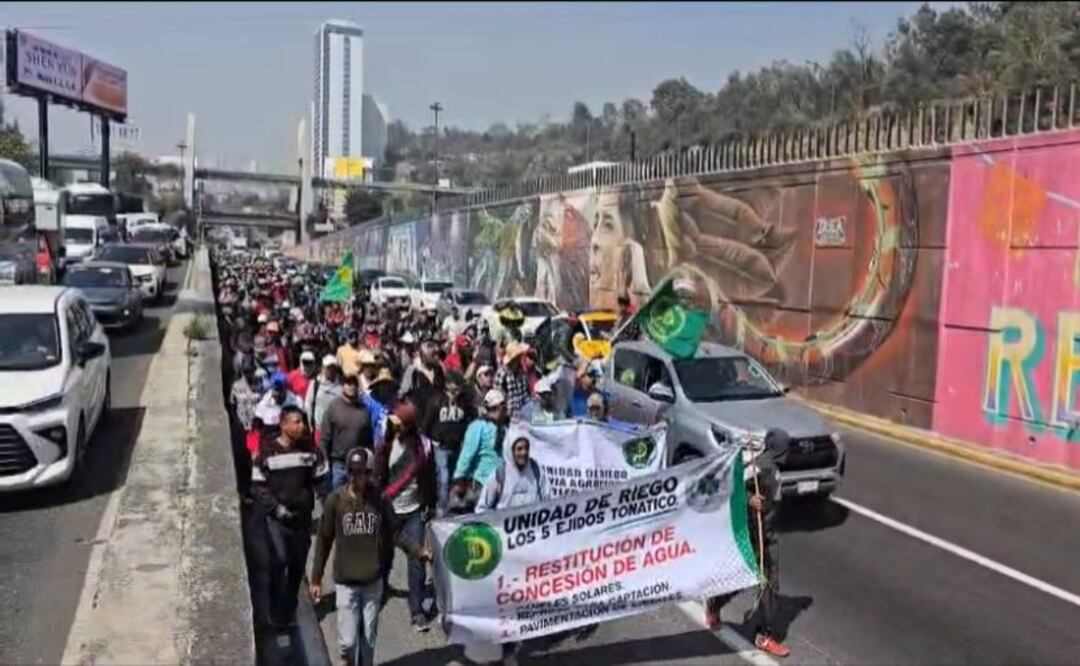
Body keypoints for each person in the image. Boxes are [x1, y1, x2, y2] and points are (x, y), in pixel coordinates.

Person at [310, 447, 432, 666]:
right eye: (354, 472)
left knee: (368, 637)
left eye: (364, 472)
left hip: (372, 582)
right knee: (347, 642)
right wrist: (316, 578)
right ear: (348, 473)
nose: (359, 478)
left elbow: (395, 532)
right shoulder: (335, 501)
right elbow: (324, 540)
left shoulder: (380, 500)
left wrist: (418, 551)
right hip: (346, 582)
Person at [705, 428, 791, 658]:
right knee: (768, 584)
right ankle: (764, 635)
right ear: (778, 447)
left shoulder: (772, 465)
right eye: (786, 446)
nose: (788, 451)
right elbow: (729, 486)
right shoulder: (760, 466)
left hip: (768, 534)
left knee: (750, 577)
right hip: (754, 533)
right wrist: (749, 499)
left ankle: (715, 603)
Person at [249, 406, 327, 632]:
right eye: (296, 422)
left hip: (302, 521)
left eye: (302, 422)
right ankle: (274, 611)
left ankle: (288, 611)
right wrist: (276, 508)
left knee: (296, 566)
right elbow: (257, 486)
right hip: (277, 520)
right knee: (279, 561)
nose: (301, 426)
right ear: (283, 424)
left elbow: (321, 481)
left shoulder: (310, 452)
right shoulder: (268, 452)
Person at [374, 394, 437, 632]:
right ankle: (380, 591)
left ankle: (417, 609)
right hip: (388, 511)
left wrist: (430, 506)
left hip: (414, 511)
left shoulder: (424, 446)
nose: (395, 425)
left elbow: (430, 478)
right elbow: (377, 477)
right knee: (383, 556)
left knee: (417, 560)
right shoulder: (385, 443)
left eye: (400, 422)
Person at [424, 371, 475, 515]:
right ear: (448, 385)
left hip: (457, 446)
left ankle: (453, 507)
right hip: (441, 447)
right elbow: (427, 423)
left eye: (459, 387)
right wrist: (432, 441)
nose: (457, 390)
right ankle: (441, 510)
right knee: (444, 477)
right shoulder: (436, 400)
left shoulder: (464, 403)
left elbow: (469, 420)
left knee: (455, 476)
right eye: (454, 386)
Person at [449, 390, 509, 513]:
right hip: (481, 485)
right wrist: (459, 479)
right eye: (504, 406)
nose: (506, 409)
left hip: (501, 484)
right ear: (498, 407)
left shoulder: (504, 428)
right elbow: (467, 455)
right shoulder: (478, 427)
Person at [320, 375, 375, 491]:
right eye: (348, 383)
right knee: (339, 502)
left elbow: (369, 441)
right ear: (342, 386)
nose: (351, 387)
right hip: (338, 465)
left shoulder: (364, 410)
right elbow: (325, 438)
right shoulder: (333, 407)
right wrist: (325, 463)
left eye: (354, 384)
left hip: (358, 466)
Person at [477, 436, 551, 511]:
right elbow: (481, 509)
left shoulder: (537, 471)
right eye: (519, 449)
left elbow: (549, 501)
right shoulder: (500, 475)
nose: (524, 452)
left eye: (526, 448)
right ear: (511, 451)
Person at [306, 355, 343, 445]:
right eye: (328, 368)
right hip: (320, 428)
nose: (330, 370)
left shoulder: (342, 384)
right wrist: (311, 426)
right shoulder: (315, 384)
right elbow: (308, 405)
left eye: (333, 368)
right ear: (323, 368)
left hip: (338, 430)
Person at [253, 372, 303, 438]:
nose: (278, 393)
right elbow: (256, 427)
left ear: (285, 388)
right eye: (275, 389)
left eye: (280, 389)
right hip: (271, 439)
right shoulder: (264, 403)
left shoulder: (296, 402)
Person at [495, 342, 533, 417]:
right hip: (509, 415)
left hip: (524, 412)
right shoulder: (502, 373)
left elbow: (526, 392)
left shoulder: (522, 371)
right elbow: (497, 395)